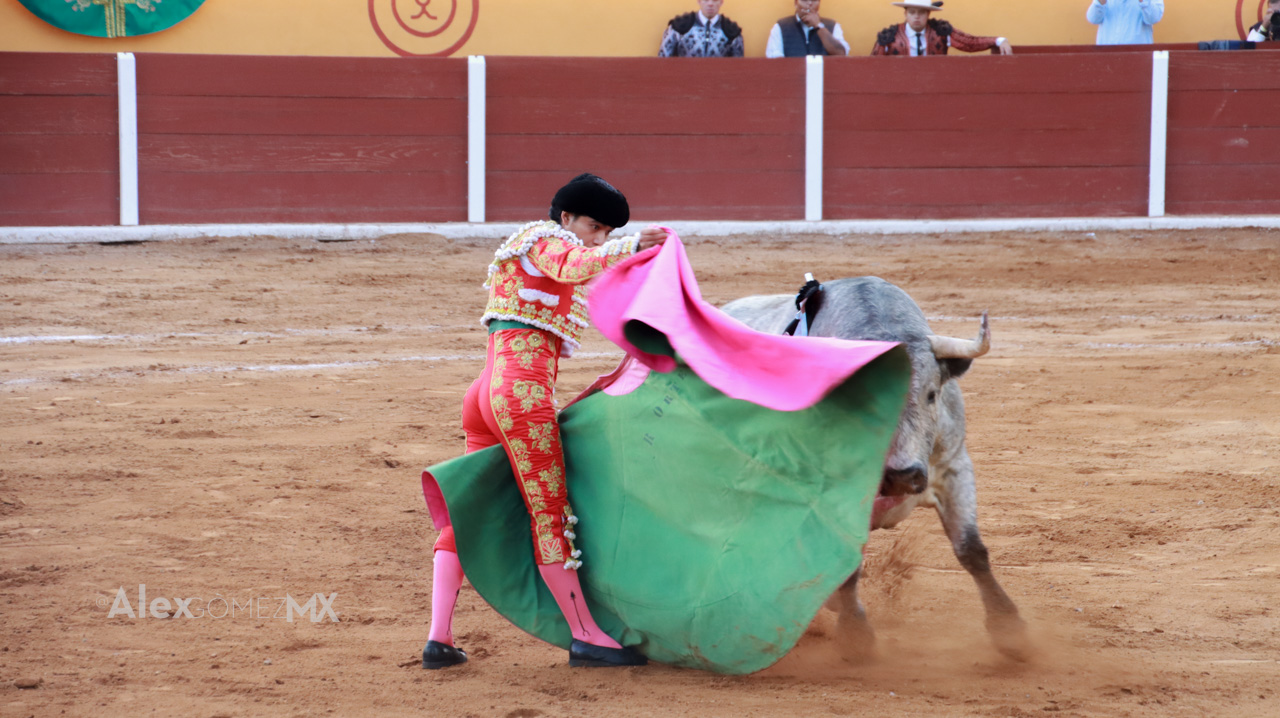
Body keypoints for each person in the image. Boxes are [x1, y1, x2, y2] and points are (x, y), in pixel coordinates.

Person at [422, 174, 667, 670]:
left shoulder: (523, 244)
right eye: (594, 225)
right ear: (566, 218)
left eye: (606, 230)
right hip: (521, 396)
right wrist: (629, 245)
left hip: (487, 393)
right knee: (550, 513)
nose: (597, 236)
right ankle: (587, 635)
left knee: (471, 509)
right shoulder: (550, 242)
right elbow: (576, 264)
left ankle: (439, 639)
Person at [872, 0, 1012, 56]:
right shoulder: (889, 37)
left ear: (928, 14)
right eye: (912, 12)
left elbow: (969, 42)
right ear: (905, 14)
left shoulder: (940, 31)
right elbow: (873, 67)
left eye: (921, 12)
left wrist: (998, 40)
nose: (916, 17)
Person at [659, 0, 744, 57]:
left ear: (721, 2)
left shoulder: (731, 31)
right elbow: (663, 60)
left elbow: (738, 67)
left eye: (715, 0)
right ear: (699, 1)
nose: (710, 4)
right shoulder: (679, 27)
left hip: (719, 81)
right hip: (683, 79)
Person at [765, 0, 850, 58]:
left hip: (824, 79)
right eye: (804, 0)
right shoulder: (781, 26)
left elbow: (841, 54)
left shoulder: (832, 25)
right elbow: (774, 60)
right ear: (795, 3)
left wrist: (818, 26)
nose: (809, 3)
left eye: (814, 0)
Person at [1085, 0, 1164, 45]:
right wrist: (1100, 2)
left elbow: (1154, 18)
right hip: (1107, 54)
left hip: (1138, 55)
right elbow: (1093, 19)